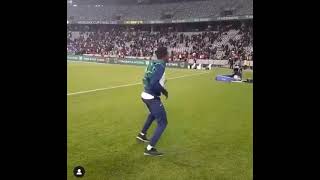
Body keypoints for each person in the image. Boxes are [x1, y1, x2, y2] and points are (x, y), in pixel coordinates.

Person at [136, 46, 169, 156]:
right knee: (163, 123)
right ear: (164, 55)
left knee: (153, 114)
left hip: (145, 94)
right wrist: (164, 91)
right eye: (168, 54)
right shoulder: (161, 66)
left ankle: (142, 134)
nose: (169, 56)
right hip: (151, 96)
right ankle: (149, 149)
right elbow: (154, 84)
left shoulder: (153, 63)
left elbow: (147, 79)